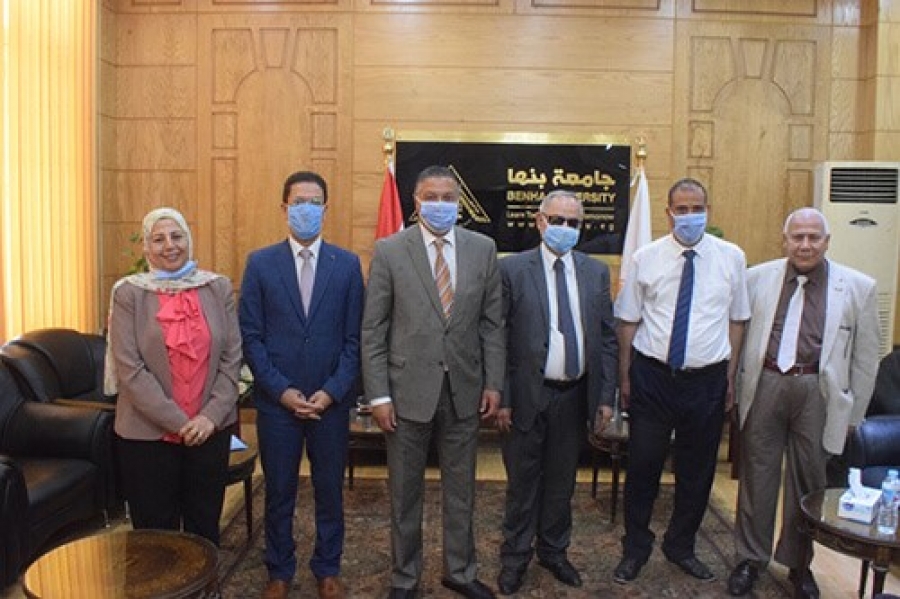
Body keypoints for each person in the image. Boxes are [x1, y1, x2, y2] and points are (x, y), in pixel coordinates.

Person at [361, 165, 505, 599]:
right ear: (416, 202)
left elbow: (492, 324)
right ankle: (405, 577)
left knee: (462, 491)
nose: (440, 204)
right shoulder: (390, 250)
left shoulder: (483, 249)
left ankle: (459, 572)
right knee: (405, 493)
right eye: (431, 197)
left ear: (459, 203)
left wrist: (493, 383)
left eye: (448, 197)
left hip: (465, 391)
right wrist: (378, 395)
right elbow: (373, 330)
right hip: (405, 393)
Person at [727, 207, 879, 599]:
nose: (805, 245)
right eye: (798, 237)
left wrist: (855, 414)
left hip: (819, 391)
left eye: (814, 237)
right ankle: (750, 559)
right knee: (757, 477)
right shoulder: (757, 278)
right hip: (765, 383)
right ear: (785, 240)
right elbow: (738, 337)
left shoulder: (858, 287)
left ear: (827, 242)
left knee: (808, 481)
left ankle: (798, 564)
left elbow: (866, 359)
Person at [613, 178, 750, 584]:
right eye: (682, 210)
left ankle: (681, 546)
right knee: (643, 467)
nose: (690, 216)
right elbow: (628, 321)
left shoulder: (732, 257)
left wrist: (730, 375)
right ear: (669, 213)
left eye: (697, 209)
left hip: (707, 382)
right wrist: (625, 376)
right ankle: (635, 549)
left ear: (708, 210)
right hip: (653, 377)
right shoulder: (645, 257)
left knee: (697, 471)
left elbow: (738, 320)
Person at [239, 171, 364, 599]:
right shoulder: (260, 263)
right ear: (284, 208)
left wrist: (331, 391)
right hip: (278, 404)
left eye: (314, 203)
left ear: (325, 209)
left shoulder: (347, 265)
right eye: (298, 203)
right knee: (279, 491)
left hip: (331, 403)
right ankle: (279, 570)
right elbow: (251, 337)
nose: (306, 210)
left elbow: (355, 339)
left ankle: (327, 568)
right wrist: (282, 391)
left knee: (330, 490)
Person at [495, 190, 618, 595]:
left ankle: (554, 551)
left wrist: (605, 397)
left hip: (575, 396)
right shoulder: (512, 270)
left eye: (574, 222)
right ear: (540, 221)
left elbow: (607, 338)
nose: (566, 228)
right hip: (525, 397)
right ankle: (515, 557)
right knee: (522, 485)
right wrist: (503, 397)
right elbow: (498, 338)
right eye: (558, 220)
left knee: (562, 484)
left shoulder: (595, 272)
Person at [107, 207, 242, 546]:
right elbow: (129, 369)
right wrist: (180, 423)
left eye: (177, 236)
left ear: (189, 240)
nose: (170, 245)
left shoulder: (218, 287)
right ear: (146, 247)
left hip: (210, 432)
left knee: (204, 529)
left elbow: (232, 358)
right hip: (147, 436)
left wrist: (209, 418)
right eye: (158, 239)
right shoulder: (128, 293)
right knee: (155, 538)